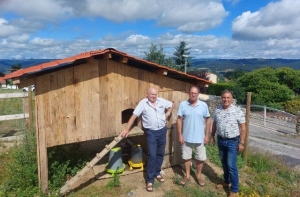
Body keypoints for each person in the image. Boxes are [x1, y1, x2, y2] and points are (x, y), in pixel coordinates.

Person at [121, 87, 174, 192]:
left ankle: (157, 172)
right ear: (147, 94)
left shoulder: (161, 101)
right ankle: (150, 180)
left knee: (160, 153)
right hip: (151, 133)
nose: (154, 96)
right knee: (152, 155)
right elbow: (134, 116)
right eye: (152, 94)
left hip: (162, 131)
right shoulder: (143, 103)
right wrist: (126, 129)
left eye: (155, 94)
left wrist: (167, 114)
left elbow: (172, 104)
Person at [210, 90, 246, 197]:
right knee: (224, 162)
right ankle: (227, 181)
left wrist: (242, 143)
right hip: (221, 140)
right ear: (221, 98)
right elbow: (215, 123)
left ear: (231, 99)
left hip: (232, 141)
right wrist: (212, 135)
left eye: (228, 98)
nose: (226, 100)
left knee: (231, 165)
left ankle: (234, 189)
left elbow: (243, 128)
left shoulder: (237, 111)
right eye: (224, 97)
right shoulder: (218, 110)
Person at [177, 86, 211, 186]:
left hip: (200, 137)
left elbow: (208, 120)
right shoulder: (183, 105)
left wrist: (207, 135)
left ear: (198, 94)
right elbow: (179, 120)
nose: (193, 94)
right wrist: (180, 135)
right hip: (186, 137)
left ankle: (198, 176)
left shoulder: (203, 105)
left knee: (200, 158)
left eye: (195, 93)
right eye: (191, 92)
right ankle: (187, 176)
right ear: (189, 93)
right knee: (186, 157)